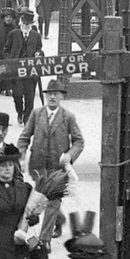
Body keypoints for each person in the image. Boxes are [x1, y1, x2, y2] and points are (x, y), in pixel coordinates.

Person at [18, 79, 85, 243]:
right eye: (49, 94)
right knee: (40, 200)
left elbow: (79, 141)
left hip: (58, 170)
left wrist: (70, 155)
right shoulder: (36, 114)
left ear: (62, 96)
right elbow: (24, 137)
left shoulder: (68, 117)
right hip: (38, 167)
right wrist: (20, 156)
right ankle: (59, 220)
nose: (52, 97)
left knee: (53, 201)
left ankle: (44, 240)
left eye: (56, 94)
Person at [4, 10, 43, 125]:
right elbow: (6, 50)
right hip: (17, 72)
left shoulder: (36, 35)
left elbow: (39, 49)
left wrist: (38, 53)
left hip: (31, 72)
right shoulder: (13, 34)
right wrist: (10, 61)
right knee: (17, 95)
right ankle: (20, 112)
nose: (26, 26)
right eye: (25, 23)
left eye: (29, 24)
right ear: (21, 22)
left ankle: (27, 120)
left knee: (30, 97)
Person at [0, 7, 17, 95]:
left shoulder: (15, 28)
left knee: (9, 70)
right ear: (4, 18)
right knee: (1, 70)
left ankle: (9, 88)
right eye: (6, 17)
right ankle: (2, 87)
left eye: (10, 17)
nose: (8, 19)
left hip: (10, 53)